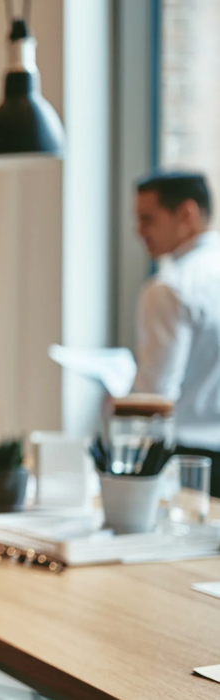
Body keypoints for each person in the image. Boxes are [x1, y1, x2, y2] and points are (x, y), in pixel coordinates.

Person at [132, 171, 220, 495]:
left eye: (147, 219)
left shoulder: (170, 287)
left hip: (188, 463)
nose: (138, 232)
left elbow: (156, 395)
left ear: (186, 214)